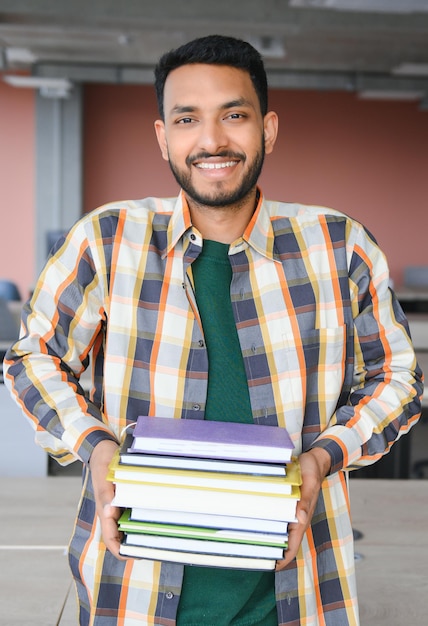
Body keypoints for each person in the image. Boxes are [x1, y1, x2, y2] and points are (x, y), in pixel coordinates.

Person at [4, 34, 423, 626]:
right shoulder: (105, 239)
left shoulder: (340, 245)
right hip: (135, 592)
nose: (212, 140)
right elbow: (32, 357)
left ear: (268, 129)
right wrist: (95, 448)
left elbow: (399, 377)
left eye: (234, 115)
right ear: (162, 136)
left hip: (298, 593)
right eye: (187, 119)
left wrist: (326, 457)